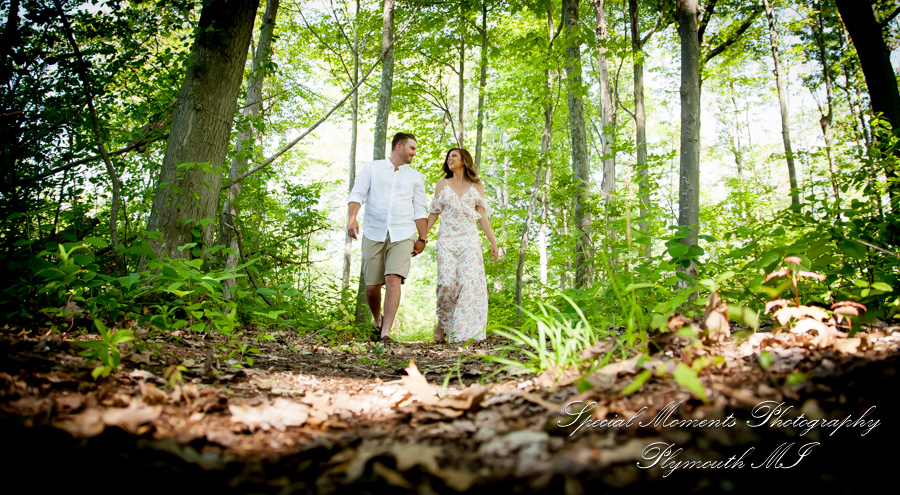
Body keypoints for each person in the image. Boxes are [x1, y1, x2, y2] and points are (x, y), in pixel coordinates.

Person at [347, 133, 428, 342]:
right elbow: (357, 195)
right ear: (399, 147)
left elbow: (419, 209)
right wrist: (352, 219)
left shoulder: (415, 177)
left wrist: (422, 238)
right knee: (372, 287)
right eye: (412, 148)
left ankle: (386, 333)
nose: (414, 153)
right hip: (374, 231)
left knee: (393, 278)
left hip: (403, 233)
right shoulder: (372, 169)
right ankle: (377, 319)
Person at [425, 148, 499, 343]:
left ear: (464, 161)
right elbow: (434, 213)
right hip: (447, 241)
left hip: (470, 241)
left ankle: (460, 333)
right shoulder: (442, 184)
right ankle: (442, 323)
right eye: (448, 157)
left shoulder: (477, 186)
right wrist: (421, 237)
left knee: (467, 285)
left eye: (454, 156)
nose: (450, 159)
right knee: (446, 283)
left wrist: (492, 241)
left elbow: (482, 216)